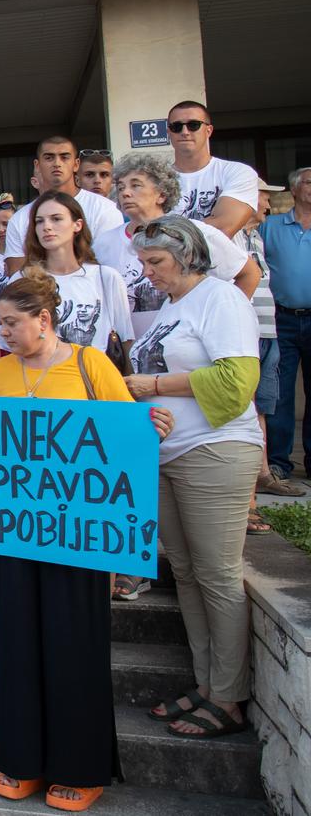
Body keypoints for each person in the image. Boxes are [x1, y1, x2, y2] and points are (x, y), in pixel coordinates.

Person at [0, 267, 173, 811]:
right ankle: (20, 759)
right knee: (20, 642)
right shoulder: (0, 372)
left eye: (12, 323)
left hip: (78, 536)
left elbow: (122, 436)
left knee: (74, 644)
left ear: (44, 320)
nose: (3, 334)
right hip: (17, 533)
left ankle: (79, 766)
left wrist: (149, 428)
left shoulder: (91, 365)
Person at [126, 217, 261, 741]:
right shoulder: (171, 308)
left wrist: (155, 382)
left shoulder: (221, 300)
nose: (148, 272)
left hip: (216, 451)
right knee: (185, 572)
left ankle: (229, 696)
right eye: (142, 263)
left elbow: (237, 381)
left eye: (156, 262)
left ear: (187, 255)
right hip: (169, 453)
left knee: (218, 574)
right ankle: (208, 685)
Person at [95, 153, 257, 342]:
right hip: (132, 353)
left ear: (162, 194)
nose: (125, 193)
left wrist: (224, 323)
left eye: (136, 185)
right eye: (121, 187)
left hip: (194, 351)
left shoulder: (195, 232)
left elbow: (249, 274)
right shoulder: (103, 243)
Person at [14, 191, 132, 354]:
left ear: (77, 225)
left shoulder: (105, 277)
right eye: (39, 221)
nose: (46, 227)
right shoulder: (22, 280)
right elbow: (12, 343)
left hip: (96, 375)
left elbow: (126, 340)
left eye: (56, 219)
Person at [245, 181, 302, 499]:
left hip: (269, 330)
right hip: (249, 334)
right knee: (252, 405)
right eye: (261, 195)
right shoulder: (236, 237)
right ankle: (256, 477)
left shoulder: (255, 236)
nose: (267, 202)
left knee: (264, 404)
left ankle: (264, 472)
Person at [3, 135, 125, 276]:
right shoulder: (18, 219)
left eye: (64, 157)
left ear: (76, 164)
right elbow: (18, 278)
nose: (57, 163)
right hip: (41, 296)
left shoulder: (105, 209)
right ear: (37, 165)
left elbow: (110, 269)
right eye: (49, 157)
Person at [262, 166, 311, 481]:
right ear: (295, 190)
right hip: (282, 318)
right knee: (279, 394)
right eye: (309, 182)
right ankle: (279, 462)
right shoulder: (271, 226)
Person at [167, 101, 257, 239]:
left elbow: (224, 228)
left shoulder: (237, 172)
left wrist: (167, 235)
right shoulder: (154, 179)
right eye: (176, 127)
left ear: (208, 130)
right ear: (169, 133)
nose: (185, 132)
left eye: (193, 125)